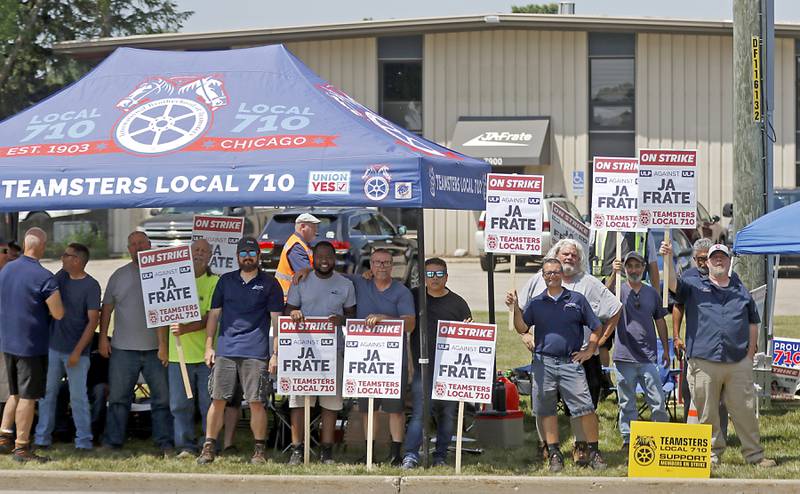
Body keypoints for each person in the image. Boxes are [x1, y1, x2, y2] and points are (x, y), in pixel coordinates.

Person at [663, 242, 776, 467]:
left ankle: (754, 456)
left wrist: (751, 350)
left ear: (728, 260)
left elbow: (753, 320)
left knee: (744, 409)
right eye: (714, 258)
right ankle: (711, 455)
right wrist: (668, 259)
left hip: (737, 361)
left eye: (722, 257)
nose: (718, 261)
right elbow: (674, 286)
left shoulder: (739, 288)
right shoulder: (693, 284)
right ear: (708, 261)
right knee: (707, 412)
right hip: (704, 360)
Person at [518, 239, 621, 466]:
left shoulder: (589, 283)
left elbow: (614, 309)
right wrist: (525, 335)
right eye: (565, 254)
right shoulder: (538, 280)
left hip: (579, 357)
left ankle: (582, 448)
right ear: (555, 256)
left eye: (574, 255)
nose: (569, 258)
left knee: (582, 407)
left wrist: (598, 344)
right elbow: (520, 312)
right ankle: (546, 447)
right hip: (544, 356)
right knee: (543, 404)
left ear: (580, 259)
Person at [507, 258, 606, 472]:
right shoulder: (536, 301)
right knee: (546, 410)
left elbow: (597, 327)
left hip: (570, 362)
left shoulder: (577, 299)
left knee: (585, 408)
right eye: (548, 273)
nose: (552, 276)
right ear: (543, 277)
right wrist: (515, 308)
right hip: (543, 363)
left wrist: (589, 350)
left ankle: (594, 452)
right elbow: (522, 327)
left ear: (562, 274)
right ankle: (554, 452)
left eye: (556, 272)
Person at [197, 237, 284, 465]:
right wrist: (209, 347)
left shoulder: (270, 284)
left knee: (256, 401)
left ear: (258, 256)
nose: (247, 256)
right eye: (243, 252)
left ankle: (259, 450)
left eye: (251, 252)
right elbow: (214, 315)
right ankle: (208, 447)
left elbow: (277, 322)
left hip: (256, 351)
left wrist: (275, 353)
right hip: (226, 349)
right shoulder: (225, 281)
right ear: (237, 256)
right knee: (218, 400)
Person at [99, 231, 173, 454]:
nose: (138, 247)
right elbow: (107, 309)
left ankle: (164, 441)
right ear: (128, 248)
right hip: (123, 349)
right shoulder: (118, 276)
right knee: (119, 399)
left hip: (156, 350)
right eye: (133, 244)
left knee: (162, 400)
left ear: (150, 245)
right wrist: (103, 337)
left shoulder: (164, 273)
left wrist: (165, 346)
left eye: (142, 243)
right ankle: (113, 442)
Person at [284, 241, 356, 465]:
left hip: (332, 352)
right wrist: (294, 314)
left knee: (330, 403)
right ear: (313, 258)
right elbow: (289, 310)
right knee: (299, 401)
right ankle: (298, 449)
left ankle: (326, 451)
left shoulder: (345, 284)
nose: (325, 261)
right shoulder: (301, 280)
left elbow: (352, 316)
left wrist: (341, 320)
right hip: (302, 351)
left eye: (329, 257)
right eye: (320, 256)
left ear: (335, 259)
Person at [0, 227, 64, 462]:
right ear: (43, 246)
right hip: (31, 345)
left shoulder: (6, 269)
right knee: (28, 396)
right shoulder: (44, 276)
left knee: (14, 393)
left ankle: (4, 437)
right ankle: (22, 447)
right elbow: (57, 313)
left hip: (7, 341)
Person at [401, 258, 471, 469]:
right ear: (423, 277)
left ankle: (441, 455)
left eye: (439, 274)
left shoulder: (458, 303)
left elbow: (469, 337)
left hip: (450, 370)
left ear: (447, 276)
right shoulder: (413, 297)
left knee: (447, 414)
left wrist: (469, 329)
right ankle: (411, 455)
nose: (434, 278)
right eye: (430, 274)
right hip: (423, 368)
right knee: (421, 413)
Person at [350, 248, 415, 465]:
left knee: (395, 409)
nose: (381, 266)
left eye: (386, 263)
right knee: (368, 408)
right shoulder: (361, 283)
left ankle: (396, 454)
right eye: (377, 262)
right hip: (364, 360)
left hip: (392, 360)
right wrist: (304, 270)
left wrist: (384, 318)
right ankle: (369, 452)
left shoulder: (401, 291)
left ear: (392, 265)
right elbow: (331, 275)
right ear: (370, 264)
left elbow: (410, 323)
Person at [34, 243, 101, 451]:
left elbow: (93, 321)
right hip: (54, 347)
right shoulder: (60, 277)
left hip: (77, 352)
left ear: (77, 261)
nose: (62, 258)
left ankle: (83, 440)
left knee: (78, 397)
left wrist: (78, 351)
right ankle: (42, 438)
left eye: (66, 255)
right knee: (47, 394)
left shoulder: (91, 286)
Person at [603, 251, 669, 456]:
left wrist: (666, 349)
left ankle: (660, 436)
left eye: (637, 266)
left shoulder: (652, 293)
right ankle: (628, 438)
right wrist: (614, 274)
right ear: (625, 268)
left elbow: (660, 321)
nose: (633, 270)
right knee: (627, 402)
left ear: (643, 268)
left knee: (657, 400)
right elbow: (603, 296)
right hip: (624, 357)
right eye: (629, 266)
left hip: (648, 356)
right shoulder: (618, 291)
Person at [158, 239, 219, 458]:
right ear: (188, 253)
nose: (199, 254)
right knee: (179, 405)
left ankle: (208, 445)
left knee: (207, 404)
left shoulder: (215, 282)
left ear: (210, 255)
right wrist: (163, 346)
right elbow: (161, 314)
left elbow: (210, 317)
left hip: (205, 355)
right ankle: (185, 446)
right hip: (178, 355)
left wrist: (185, 328)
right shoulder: (173, 280)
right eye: (196, 250)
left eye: (204, 251)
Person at [275, 213, 319, 296]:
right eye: (313, 227)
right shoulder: (296, 246)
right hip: (290, 298)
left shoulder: (301, 243)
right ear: (302, 227)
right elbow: (307, 276)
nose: (316, 231)